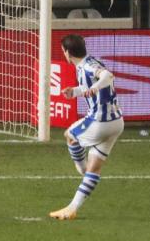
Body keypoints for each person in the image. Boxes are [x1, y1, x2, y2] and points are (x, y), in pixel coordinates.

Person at [50, 34, 125, 220]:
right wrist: (75, 92)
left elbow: (108, 76)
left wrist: (97, 87)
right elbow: (92, 84)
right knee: (94, 170)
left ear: (67, 53)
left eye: (63, 52)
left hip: (101, 121)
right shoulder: (89, 62)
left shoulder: (88, 66)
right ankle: (72, 208)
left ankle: (81, 169)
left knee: (70, 135)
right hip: (117, 123)